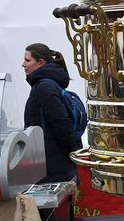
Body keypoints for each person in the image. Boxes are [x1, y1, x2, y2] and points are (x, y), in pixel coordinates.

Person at [22, 43, 82, 183]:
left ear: (40, 63)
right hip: (56, 164)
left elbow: (61, 123)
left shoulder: (44, 87)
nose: (23, 64)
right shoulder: (47, 85)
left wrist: (71, 154)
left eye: (27, 60)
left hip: (54, 168)